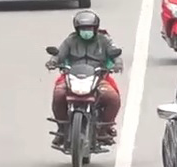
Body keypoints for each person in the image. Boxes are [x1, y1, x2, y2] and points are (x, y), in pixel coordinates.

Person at [49, 10, 124, 147]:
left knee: (113, 98)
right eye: (83, 29)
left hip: (98, 78)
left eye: (89, 28)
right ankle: (62, 128)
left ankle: (103, 129)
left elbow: (115, 54)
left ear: (95, 28)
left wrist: (117, 64)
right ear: (77, 29)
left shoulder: (104, 40)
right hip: (72, 77)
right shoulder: (70, 40)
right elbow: (59, 54)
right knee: (58, 94)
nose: (86, 31)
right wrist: (53, 61)